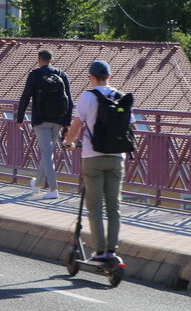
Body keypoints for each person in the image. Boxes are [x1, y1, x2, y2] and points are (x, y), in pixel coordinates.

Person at [63, 59, 129, 262]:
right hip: (117, 157)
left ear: (91, 77)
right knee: (114, 207)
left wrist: (68, 143)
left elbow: (76, 126)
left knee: (95, 207)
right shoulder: (121, 97)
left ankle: (100, 251)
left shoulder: (87, 97)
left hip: (93, 157)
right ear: (109, 76)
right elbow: (129, 125)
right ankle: (112, 250)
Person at [15, 49, 72, 200]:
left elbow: (25, 97)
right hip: (58, 120)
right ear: (52, 60)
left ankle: (53, 189)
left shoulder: (35, 74)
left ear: (39, 60)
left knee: (47, 154)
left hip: (40, 120)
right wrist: (67, 123)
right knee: (48, 152)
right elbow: (69, 100)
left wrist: (19, 118)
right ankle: (37, 183)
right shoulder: (62, 75)